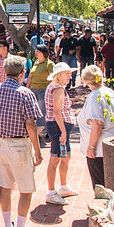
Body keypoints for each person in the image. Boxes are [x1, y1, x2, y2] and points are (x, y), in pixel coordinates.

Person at [0, 56, 43, 227]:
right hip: (19, 145)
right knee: (26, 189)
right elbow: (31, 124)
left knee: (5, 187)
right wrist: (38, 150)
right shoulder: (25, 93)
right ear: (22, 72)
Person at [78, 65, 114, 188]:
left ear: (87, 81)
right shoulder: (110, 92)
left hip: (100, 148)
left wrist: (91, 146)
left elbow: (98, 122)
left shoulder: (95, 96)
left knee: (101, 184)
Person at [44, 62, 78, 205]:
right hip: (58, 127)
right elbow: (57, 112)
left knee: (65, 157)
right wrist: (63, 131)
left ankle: (63, 186)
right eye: (67, 74)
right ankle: (51, 192)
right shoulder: (57, 89)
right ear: (58, 75)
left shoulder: (57, 88)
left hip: (60, 126)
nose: (70, 76)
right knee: (55, 158)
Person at [26, 44, 54, 119]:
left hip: (43, 89)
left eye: (38, 51)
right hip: (33, 89)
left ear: (43, 53)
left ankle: (41, 127)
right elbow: (30, 76)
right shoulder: (35, 62)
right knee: (32, 109)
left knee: (41, 109)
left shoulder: (49, 64)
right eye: (36, 50)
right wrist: (27, 88)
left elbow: (53, 78)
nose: (36, 52)